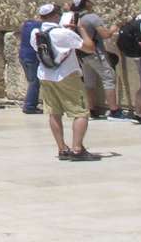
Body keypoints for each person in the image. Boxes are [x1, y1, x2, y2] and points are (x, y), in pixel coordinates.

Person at [32, 12, 99, 160]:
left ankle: (62, 148)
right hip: (67, 75)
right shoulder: (65, 33)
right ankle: (77, 149)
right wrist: (80, 29)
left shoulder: (35, 33)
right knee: (81, 112)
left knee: (54, 113)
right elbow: (89, 47)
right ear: (56, 16)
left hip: (45, 76)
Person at [70, 0, 124, 119]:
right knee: (108, 79)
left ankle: (91, 109)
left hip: (83, 55)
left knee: (89, 83)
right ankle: (114, 111)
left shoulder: (76, 18)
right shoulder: (92, 18)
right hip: (96, 54)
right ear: (86, 4)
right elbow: (105, 35)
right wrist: (114, 28)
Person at [17, 4, 51, 114]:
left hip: (23, 56)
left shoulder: (27, 24)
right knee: (34, 82)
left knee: (32, 81)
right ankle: (29, 106)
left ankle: (30, 104)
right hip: (32, 58)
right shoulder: (40, 27)